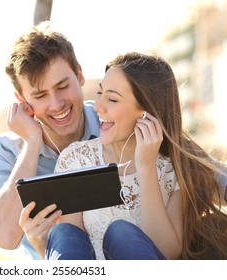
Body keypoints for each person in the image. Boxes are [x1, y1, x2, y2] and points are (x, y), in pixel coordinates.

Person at [19, 52, 227, 260]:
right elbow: (69, 245)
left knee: (121, 232)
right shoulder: (76, 159)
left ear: (146, 112)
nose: (98, 106)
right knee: (62, 232)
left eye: (112, 99)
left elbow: (167, 252)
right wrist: (42, 244)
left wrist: (146, 167)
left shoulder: (172, 168)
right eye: (100, 93)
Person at [0, 20, 100, 259]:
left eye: (63, 86)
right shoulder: (5, 151)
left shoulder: (113, 121)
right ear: (22, 99)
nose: (56, 104)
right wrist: (32, 142)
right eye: (40, 95)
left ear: (79, 74)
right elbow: (4, 237)